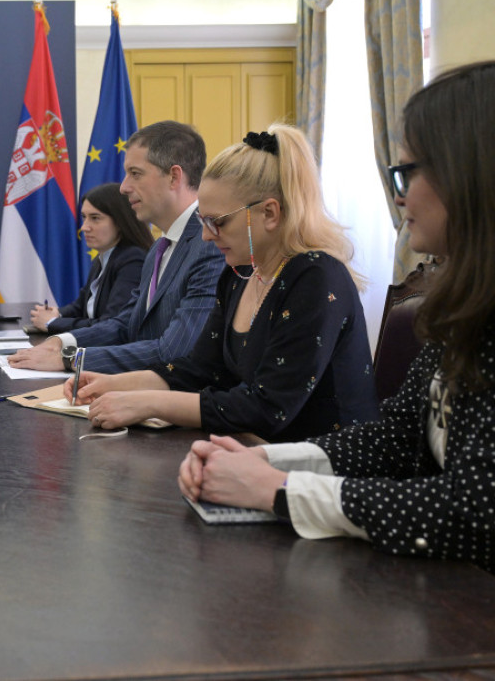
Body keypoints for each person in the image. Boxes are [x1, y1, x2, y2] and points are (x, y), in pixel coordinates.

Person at [178, 61, 495, 573]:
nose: (399, 195)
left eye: (408, 173)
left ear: (470, 176)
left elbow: (475, 512)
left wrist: (281, 489)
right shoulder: (465, 305)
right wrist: (263, 461)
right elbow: (397, 438)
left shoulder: (315, 274)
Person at [76, 125, 380, 443]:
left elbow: (267, 408)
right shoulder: (239, 274)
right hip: (257, 453)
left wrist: (149, 403)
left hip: (324, 463)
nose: (206, 236)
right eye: (202, 222)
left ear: (270, 213)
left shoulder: (316, 277)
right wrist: (114, 384)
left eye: (217, 222)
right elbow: (200, 370)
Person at [8, 121, 225, 374]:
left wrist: (71, 359)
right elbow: (126, 324)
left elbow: (175, 350)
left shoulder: (210, 246)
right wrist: (62, 342)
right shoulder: (160, 248)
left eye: (135, 174)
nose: (123, 187)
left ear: (174, 177)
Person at [28, 182, 152, 334]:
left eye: (95, 218)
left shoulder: (133, 260)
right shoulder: (104, 257)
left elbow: (111, 324)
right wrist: (57, 314)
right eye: (84, 217)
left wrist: (52, 323)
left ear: (120, 222)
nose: (84, 227)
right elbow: (80, 306)